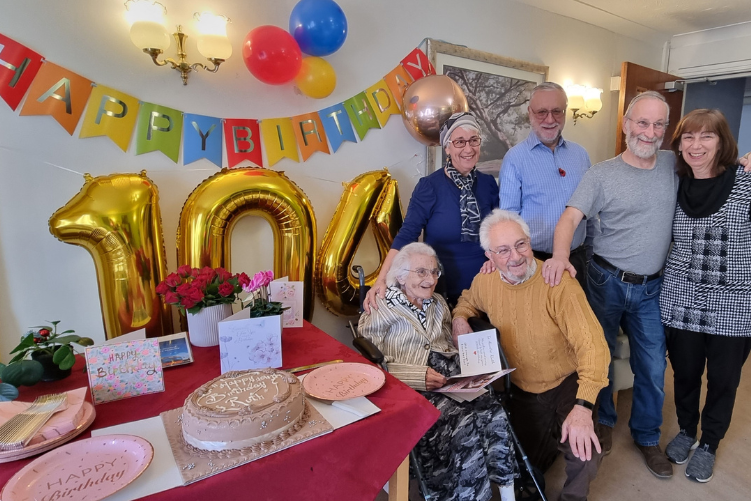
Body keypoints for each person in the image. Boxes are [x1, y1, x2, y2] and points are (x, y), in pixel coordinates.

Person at [543, 92, 751, 478]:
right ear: (626, 124)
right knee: (600, 357)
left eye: (658, 125)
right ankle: (604, 421)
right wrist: (558, 257)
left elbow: (714, 164)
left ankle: (646, 436)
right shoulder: (602, 173)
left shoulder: (676, 164)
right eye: (642, 122)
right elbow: (569, 219)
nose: (650, 131)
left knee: (654, 366)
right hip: (606, 279)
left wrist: (743, 162)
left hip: (655, 287)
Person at [452, 210, 609, 501]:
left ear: (529, 242)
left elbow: (594, 347)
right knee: (516, 461)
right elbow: (467, 301)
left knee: (584, 453)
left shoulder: (558, 284)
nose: (515, 256)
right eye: (503, 250)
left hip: (567, 382)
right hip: (523, 387)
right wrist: (460, 318)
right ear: (489, 256)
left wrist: (583, 407)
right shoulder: (486, 281)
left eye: (521, 244)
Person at [358, 242, 517, 501]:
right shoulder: (380, 306)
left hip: (451, 378)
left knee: (493, 412)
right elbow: (369, 362)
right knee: (463, 425)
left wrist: (469, 364)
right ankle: (470, 496)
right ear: (400, 275)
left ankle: (507, 492)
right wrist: (415, 375)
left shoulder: (439, 303)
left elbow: (446, 340)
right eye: (421, 272)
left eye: (434, 272)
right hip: (413, 388)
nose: (430, 279)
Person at [660, 109, 751, 483]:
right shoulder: (673, 181)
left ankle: (710, 442)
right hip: (681, 295)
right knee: (684, 373)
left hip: (734, 299)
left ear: (722, 142)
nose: (696, 146)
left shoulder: (745, 181)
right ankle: (686, 430)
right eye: (688, 137)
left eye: (706, 137)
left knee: (724, 379)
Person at [363, 112, 499, 311]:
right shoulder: (429, 187)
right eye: (460, 142)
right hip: (439, 288)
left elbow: (498, 234)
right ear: (447, 148)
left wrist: (494, 258)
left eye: (473, 140)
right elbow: (407, 235)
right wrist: (381, 279)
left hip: (486, 285)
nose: (468, 148)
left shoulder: (488, 184)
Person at [499, 82, 593, 289]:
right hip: (534, 262)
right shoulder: (515, 158)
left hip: (577, 260)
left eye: (556, 111)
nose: (550, 119)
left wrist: (591, 254)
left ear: (565, 112)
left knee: (576, 321)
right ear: (530, 113)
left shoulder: (581, 155)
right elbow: (509, 219)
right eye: (542, 112)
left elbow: (592, 209)